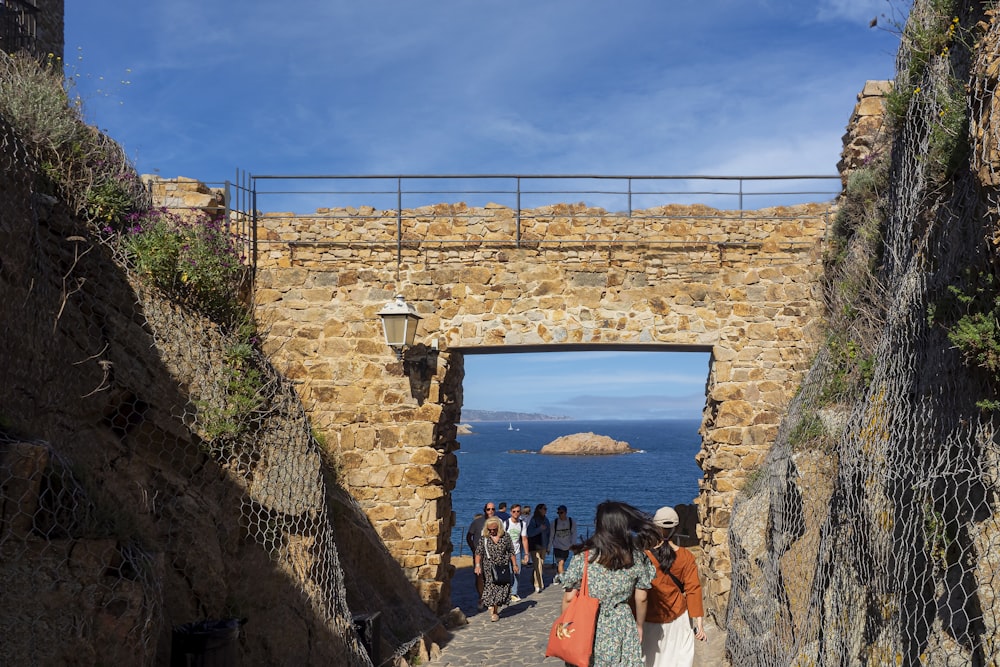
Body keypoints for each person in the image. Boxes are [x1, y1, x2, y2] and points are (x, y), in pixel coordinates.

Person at [559, 500, 659, 667]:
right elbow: (641, 598)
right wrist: (639, 625)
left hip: (587, 623)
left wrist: (565, 624)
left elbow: (569, 598)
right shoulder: (637, 557)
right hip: (622, 623)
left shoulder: (584, 557)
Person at [641, 506, 707, 667]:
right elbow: (693, 589)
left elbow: (638, 591)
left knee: (650, 661)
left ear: (655, 528)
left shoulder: (644, 557)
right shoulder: (685, 556)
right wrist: (699, 622)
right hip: (679, 618)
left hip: (649, 618)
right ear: (676, 528)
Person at [474, 515, 518, 622]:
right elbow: (478, 553)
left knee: (501, 588)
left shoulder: (505, 537)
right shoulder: (484, 538)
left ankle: (495, 608)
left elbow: (511, 551)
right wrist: (478, 565)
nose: (492, 531)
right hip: (489, 568)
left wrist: (515, 564)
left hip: (503, 567)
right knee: (491, 588)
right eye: (490, 530)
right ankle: (494, 612)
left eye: (494, 529)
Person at [466, 503, 496, 608]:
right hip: (479, 554)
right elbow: (469, 536)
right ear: (485, 510)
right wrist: (473, 549)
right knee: (479, 576)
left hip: (492, 554)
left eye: (493, 509)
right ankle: (481, 597)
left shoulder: (497, 522)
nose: (491, 511)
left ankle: (490, 597)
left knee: (491, 576)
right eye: (488, 509)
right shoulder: (477, 522)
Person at [503, 503, 530, 601]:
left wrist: (526, 554)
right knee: (507, 573)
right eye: (514, 511)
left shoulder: (522, 524)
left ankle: (514, 593)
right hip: (506, 552)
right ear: (511, 512)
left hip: (517, 551)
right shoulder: (506, 523)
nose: (516, 513)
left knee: (517, 572)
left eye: (518, 511)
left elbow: (524, 539)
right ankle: (506, 592)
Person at [526, 503, 551, 593]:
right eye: (544, 509)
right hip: (535, 546)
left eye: (546, 509)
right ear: (539, 510)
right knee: (538, 565)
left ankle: (533, 579)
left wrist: (548, 546)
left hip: (543, 545)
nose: (545, 510)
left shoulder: (546, 520)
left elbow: (549, 533)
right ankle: (538, 584)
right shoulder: (534, 520)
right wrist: (540, 529)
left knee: (541, 565)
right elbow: (530, 533)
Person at [550, 505, 577, 583]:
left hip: (567, 546)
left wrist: (573, 545)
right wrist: (549, 547)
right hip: (557, 546)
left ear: (565, 512)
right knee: (561, 562)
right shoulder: (554, 523)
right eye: (558, 513)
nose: (560, 514)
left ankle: (557, 576)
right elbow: (551, 535)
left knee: (562, 563)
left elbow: (574, 534)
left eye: (561, 513)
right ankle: (564, 580)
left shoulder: (571, 522)